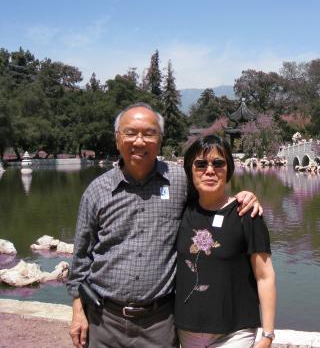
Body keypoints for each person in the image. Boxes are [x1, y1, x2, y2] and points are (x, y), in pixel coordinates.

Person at [66, 102, 262, 348]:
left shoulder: (179, 180)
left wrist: (243, 197)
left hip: (159, 322)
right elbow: (81, 258)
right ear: (117, 139)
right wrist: (78, 311)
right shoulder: (97, 191)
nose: (139, 141)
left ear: (159, 140)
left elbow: (212, 198)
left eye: (149, 133)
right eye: (130, 133)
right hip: (104, 319)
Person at [176, 135, 276, 348]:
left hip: (235, 332)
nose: (209, 170)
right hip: (187, 330)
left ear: (228, 169)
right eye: (200, 164)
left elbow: (265, 276)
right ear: (190, 170)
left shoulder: (246, 214)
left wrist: (267, 335)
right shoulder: (181, 211)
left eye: (218, 163)